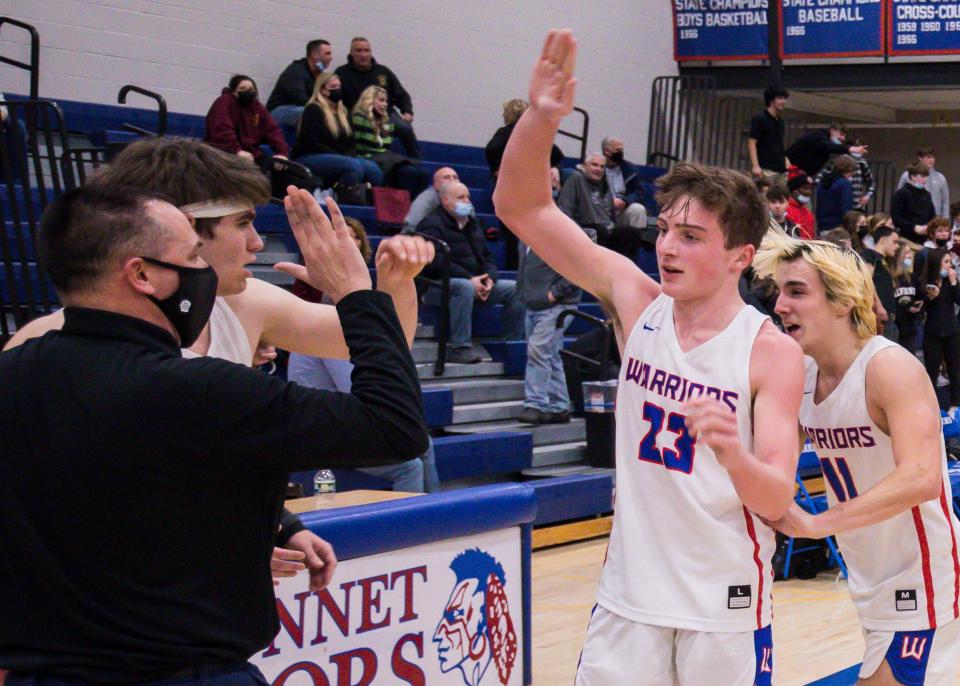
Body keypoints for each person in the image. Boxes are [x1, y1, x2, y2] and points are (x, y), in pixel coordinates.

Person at [0, 184, 429, 684]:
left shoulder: (12, 373)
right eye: (192, 258)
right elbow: (395, 427)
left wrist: (276, 524)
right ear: (141, 274)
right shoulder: (198, 388)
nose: (203, 274)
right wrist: (357, 293)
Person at [496, 31, 803, 685]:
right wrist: (542, 118)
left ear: (739, 257)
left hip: (723, 606)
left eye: (691, 237)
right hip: (628, 598)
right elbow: (521, 206)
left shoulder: (769, 352)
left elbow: (777, 496)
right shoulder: (635, 299)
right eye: (665, 229)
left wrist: (735, 454)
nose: (668, 247)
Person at [754, 231, 960, 686]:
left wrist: (815, 523)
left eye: (797, 291)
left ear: (843, 300)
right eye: (779, 292)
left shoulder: (889, 368)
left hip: (922, 576)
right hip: (868, 573)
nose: (780, 305)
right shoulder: (801, 374)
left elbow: (922, 477)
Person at [286, 216, 440, 491]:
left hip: (340, 418)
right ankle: (416, 528)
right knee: (409, 464)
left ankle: (437, 515)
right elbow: (362, 387)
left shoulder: (347, 320)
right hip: (320, 431)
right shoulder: (331, 323)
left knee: (421, 441)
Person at [418, 181, 525, 364]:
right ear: (445, 201)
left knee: (515, 288)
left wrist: (489, 278)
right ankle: (459, 347)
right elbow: (435, 263)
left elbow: (487, 257)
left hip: (473, 284)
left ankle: (511, 344)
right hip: (435, 287)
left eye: (468, 197)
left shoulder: (472, 224)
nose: (467, 201)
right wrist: (471, 279)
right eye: (461, 197)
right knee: (465, 286)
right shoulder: (430, 225)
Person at [517, 226, 597, 424]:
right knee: (550, 354)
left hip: (557, 305)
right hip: (532, 302)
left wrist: (556, 293)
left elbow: (580, 265)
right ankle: (560, 405)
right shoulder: (523, 235)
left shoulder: (559, 232)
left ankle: (535, 404)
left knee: (537, 351)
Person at [486, 98, 565, 269]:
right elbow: (558, 155)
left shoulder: (506, 132)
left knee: (513, 232)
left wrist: (497, 170)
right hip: (526, 186)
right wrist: (556, 168)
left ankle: (515, 269)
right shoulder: (535, 132)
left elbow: (491, 149)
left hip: (516, 186)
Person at [291, 71, 383, 189]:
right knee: (352, 166)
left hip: (338, 156)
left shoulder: (344, 112)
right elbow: (310, 141)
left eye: (339, 87)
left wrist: (348, 155)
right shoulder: (313, 109)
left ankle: (367, 202)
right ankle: (343, 198)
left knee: (373, 169)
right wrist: (338, 155)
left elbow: (351, 142)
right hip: (310, 155)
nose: (338, 90)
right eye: (333, 87)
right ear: (323, 90)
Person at [335, 37, 420, 158]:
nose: (363, 54)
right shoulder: (342, 73)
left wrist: (407, 112)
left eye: (366, 50)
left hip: (385, 113)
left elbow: (402, 95)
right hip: (356, 115)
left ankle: (416, 159)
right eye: (358, 51)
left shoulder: (383, 72)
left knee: (404, 127)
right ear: (351, 53)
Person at [352, 85, 430, 197]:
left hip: (384, 157)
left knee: (423, 173)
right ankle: (400, 205)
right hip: (367, 155)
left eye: (386, 101)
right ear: (369, 100)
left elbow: (385, 146)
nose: (385, 104)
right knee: (408, 171)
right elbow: (353, 143)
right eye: (381, 100)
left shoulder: (387, 122)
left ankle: (411, 205)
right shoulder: (359, 118)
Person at [204, 75, 288, 170]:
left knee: (279, 169)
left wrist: (282, 153)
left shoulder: (257, 107)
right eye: (243, 88)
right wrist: (237, 151)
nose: (248, 91)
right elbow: (222, 130)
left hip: (251, 155)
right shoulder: (224, 102)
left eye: (251, 89)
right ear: (234, 92)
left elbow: (272, 131)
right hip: (224, 154)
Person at [917, 248, 960, 413]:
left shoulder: (951, 282)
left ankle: (956, 406)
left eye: (950, 262)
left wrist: (954, 282)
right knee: (932, 372)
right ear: (937, 264)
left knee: (955, 370)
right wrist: (930, 298)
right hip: (932, 333)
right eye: (946, 262)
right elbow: (920, 309)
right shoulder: (925, 283)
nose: (950, 265)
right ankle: (931, 407)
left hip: (952, 332)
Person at [266, 39, 333, 127]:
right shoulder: (296, 71)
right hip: (277, 111)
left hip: (297, 109)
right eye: (327, 53)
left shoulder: (317, 74)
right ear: (314, 55)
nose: (331, 57)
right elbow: (299, 97)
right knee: (311, 113)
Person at [860, 225, 900, 342]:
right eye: (895, 242)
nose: (897, 246)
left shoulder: (885, 261)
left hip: (889, 319)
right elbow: (866, 280)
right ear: (883, 240)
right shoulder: (870, 254)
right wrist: (878, 305)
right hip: (878, 319)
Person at [815, 135, 875, 211]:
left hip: (856, 206)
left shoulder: (862, 163)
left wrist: (867, 196)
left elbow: (871, 182)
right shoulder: (838, 162)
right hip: (837, 206)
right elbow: (819, 179)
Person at [785, 122, 867, 177]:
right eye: (841, 134)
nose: (843, 138)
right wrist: (850, 149)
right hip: (786, 166)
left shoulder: (825, 151)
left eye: (844, 136)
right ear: (832, 131)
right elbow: (828, 146)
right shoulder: (818, 136)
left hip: (796, 172)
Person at [601, 136, 650, 229]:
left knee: (638, 209)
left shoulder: (631, 170)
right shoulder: (597, 168)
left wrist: (625, 201)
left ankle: (635, 241)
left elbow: (639, 192)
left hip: (621, 210)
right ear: (607, 151)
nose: (621, 153)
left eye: (622, 149)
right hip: (600, 209)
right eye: (618, 150)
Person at [747, 85, 789, 180]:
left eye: (784, 98)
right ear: (771, 100)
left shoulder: (780, 122)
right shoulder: (760, 118)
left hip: (780, 169)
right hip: (765, 168)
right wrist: (755, 166)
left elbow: (779, 145)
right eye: (780, 98)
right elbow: (752, 142)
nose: (783, 102)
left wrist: (787, 164)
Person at [403, 166, 460, 233]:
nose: (452, 180)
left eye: (455, 177)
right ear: (436, 184)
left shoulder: (463, 198)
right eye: (446, 177)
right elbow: (411, 224)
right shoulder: (426, 199)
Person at [898, 146, 950, 219]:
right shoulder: (908, 175)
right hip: (912, 215)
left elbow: (945, 201)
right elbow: (899, 198)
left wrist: (945, 219)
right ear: (920, 158)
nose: (931, 160)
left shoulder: (940, 177)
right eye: (928, 157)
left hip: (935, 217)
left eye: (933, 157)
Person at [892, 162, 936, 246]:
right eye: (922, 177)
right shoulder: (901, 194)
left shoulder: (927, 195)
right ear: (913, 177)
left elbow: (932, 216)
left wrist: (928, 227)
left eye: (926, 177)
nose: (925, 179)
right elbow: (896, 218)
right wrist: (913, 227)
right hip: (906, 238)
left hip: (924, 239)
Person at [892, 241, 922, 353]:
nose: (910, 256)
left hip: (910, 330)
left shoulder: (912, 278)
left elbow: (920, 296)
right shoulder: (889, 278)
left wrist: (918, 306)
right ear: (898, 255)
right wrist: (906, 308)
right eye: (907, 252)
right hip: (895, 331)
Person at [815, 155, 856, 233]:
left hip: (822, 226)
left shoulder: (823, 182)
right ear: (849, 169)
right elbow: (846, 208)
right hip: (838, 226)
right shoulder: (845, 184)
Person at [786, 172, 816, 239]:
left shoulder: (808, 213)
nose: (809, 192)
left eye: (811, 189)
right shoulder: (785, 211)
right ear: (794, 191)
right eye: (805, 188)